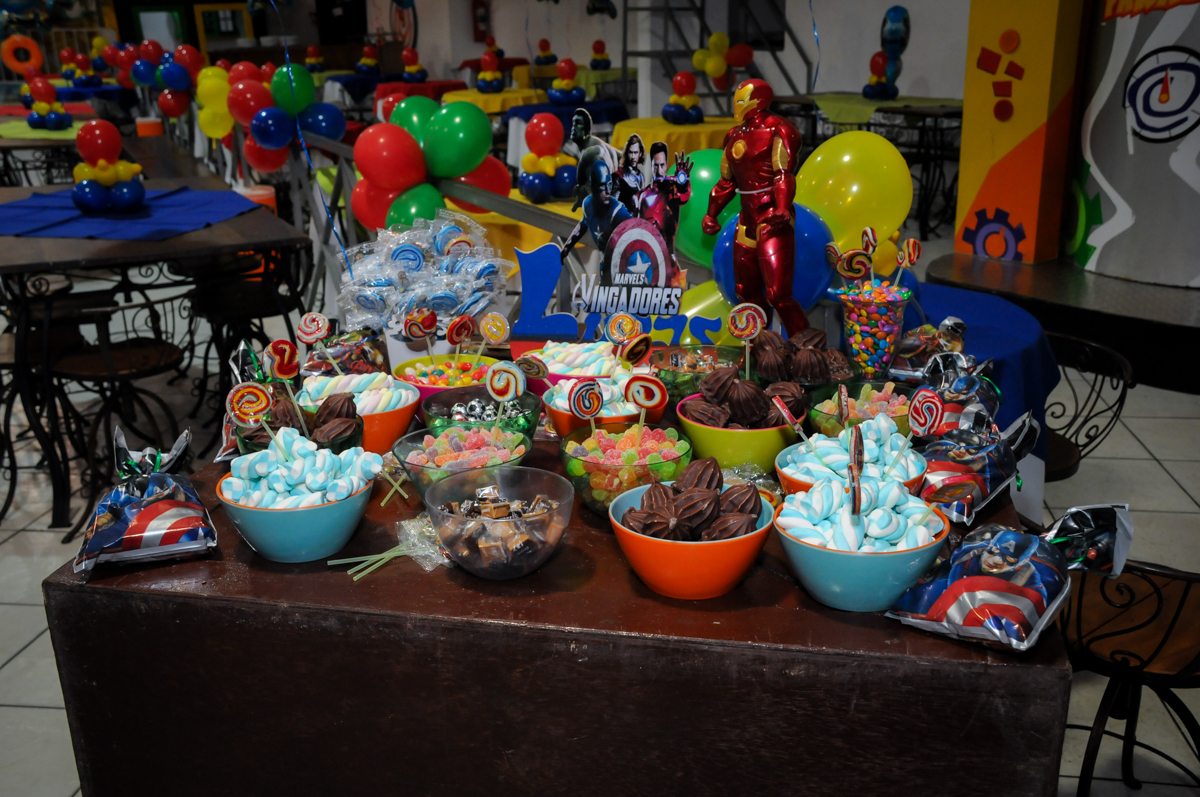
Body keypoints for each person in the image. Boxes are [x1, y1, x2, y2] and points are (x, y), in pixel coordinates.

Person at [701, 79, 809, 334]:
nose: (736, 105)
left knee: (777, 294)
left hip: (772, 215)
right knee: (745, 291)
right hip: (747, 217)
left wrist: (783, 207)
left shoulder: (779, 129)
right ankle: (759, 347)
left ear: (757, 100)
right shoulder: (734, 134)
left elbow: (784, 173)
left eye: (741, 99)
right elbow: (726, 182)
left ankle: (806, 347)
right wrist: (711, 213)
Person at [560, 160, 632, 263]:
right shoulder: (588, 204)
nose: (608, 191)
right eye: (602, 186)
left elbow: (639, 231)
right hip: (606, 263)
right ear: (594, 187)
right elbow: (583, 224)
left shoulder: (618, 211)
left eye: (610, 184)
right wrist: (568, 246)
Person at [638, 143, 692, 262]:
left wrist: (682, 185)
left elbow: (683, 197)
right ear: (650, 165)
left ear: (666, 164)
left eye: (662, 165)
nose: (658, 169)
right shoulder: (643, 194)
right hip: (644, 257)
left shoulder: (673, 188)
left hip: (667, 258)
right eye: (655, 165)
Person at [569, 108, 620, 212]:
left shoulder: (590, 152)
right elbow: (622, 157)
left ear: (586, 130)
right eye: (573, 123)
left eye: (578, 123)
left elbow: (582, 179)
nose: (573, 127)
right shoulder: (598, 143)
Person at [616, 134, 645, 215]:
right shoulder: (618, 176)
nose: (633, 156)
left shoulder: (641, 176)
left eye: (635, 153)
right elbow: (612, 207)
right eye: (630, 152)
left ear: (640, 153)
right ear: (626, 153)